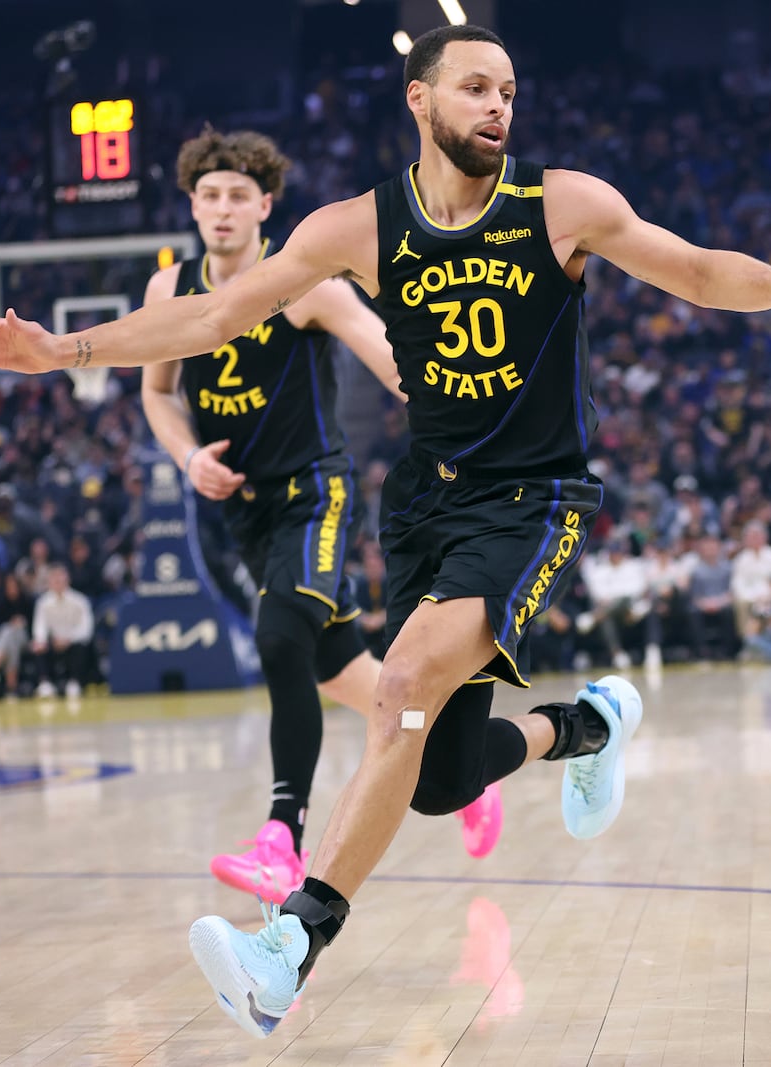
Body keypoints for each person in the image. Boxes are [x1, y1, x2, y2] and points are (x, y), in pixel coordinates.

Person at [0, 24, 771, 1041]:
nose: (497, 106)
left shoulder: (562, 202)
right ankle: (589, 724)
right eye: (475, 87)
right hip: (427, 503)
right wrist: (62, 349)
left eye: (509, 90)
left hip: (533, 496)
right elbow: (215, 319)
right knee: (438, 774)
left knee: (397, 684)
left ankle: (288, 945)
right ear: (419, 100)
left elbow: (692, 269)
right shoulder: (360, 227)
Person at [138, 125, 503, 900]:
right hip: (245, 511)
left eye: (240, 195)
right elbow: (156, 390)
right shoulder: (169, 291)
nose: (224, 208)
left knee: (279, 638)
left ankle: (282, 838)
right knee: (338, 670)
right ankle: (467, 774)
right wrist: (186, 456)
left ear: (265, 205)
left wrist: (472, 411)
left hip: (316, 493)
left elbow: (392, 357)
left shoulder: (303, 283)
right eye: (210, 195)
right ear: (194, 206)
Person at [29, 563, 94, 698]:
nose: (57, 583)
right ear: (49, 582)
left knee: (82, 646)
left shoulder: (80, 601)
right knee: (37, 645)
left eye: (60, 579)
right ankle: (45, 683)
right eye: (54, 580)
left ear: (67, 580)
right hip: (54, 643)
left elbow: (86, 629)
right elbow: (39, 626)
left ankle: (75, 682)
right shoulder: (43, 602)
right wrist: (42, 641)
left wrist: (69, 639)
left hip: (73, 643)